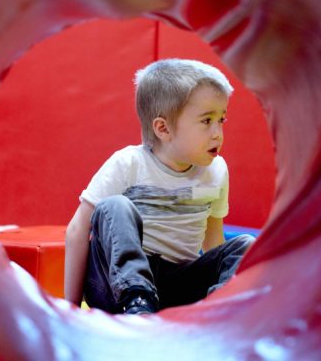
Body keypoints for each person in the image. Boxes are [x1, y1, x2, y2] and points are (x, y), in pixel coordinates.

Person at [64, 58, 254, 314]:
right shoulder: (129, 163)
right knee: (115, 206)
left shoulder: (216, 171)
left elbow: (213, 243)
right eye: (206, 121)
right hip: (116, 286)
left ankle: (213, 314)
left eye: (222, 119)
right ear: (163, 129)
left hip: (178, 285)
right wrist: (71, 309)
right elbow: (77, 230)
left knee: (244, 245)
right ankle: (138, 303)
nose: (218, 133)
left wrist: (221, 277)